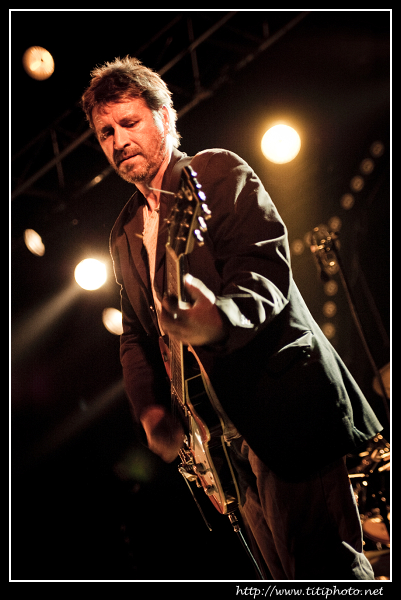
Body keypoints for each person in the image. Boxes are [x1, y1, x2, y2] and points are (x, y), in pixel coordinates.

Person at [80, 56, 383, 580]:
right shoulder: (124, 231)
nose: (119, 140)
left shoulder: (215, 171)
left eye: (129, 122)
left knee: (324, 570)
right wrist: (151, 412)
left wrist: (217, 320)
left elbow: (265, 270)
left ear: (165, 118)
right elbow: (135, 336)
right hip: (218, 437)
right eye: (106, 132)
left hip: (281, 404)